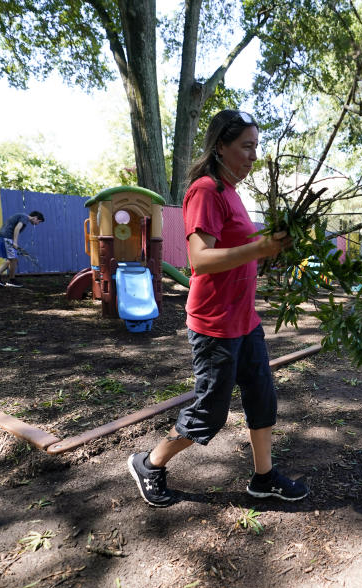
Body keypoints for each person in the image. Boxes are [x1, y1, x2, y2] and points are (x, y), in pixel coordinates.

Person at [127, 109, 307, 508]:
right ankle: (150, 463)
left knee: (262, 400)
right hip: (215, 325)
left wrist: (269, 252)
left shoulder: (233, 193)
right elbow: (201, 259)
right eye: (247, 146)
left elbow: (239, 255)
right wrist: (260, 247)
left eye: (256, 147)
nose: (253, 156)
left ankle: (264, 477)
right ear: (221, 146)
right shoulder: (205, 190)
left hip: (245, 321)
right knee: (210, 412)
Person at [0, 211, 44, 287]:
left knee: (11, 259)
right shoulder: (25, 218)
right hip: (6, 238)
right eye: (39, 221)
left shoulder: (22, 216)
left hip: (1, 237)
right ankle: (11, 280)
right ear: (35, 217)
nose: (37, 224)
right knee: (13, 259)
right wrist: (15, 242)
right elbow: (17, 228)